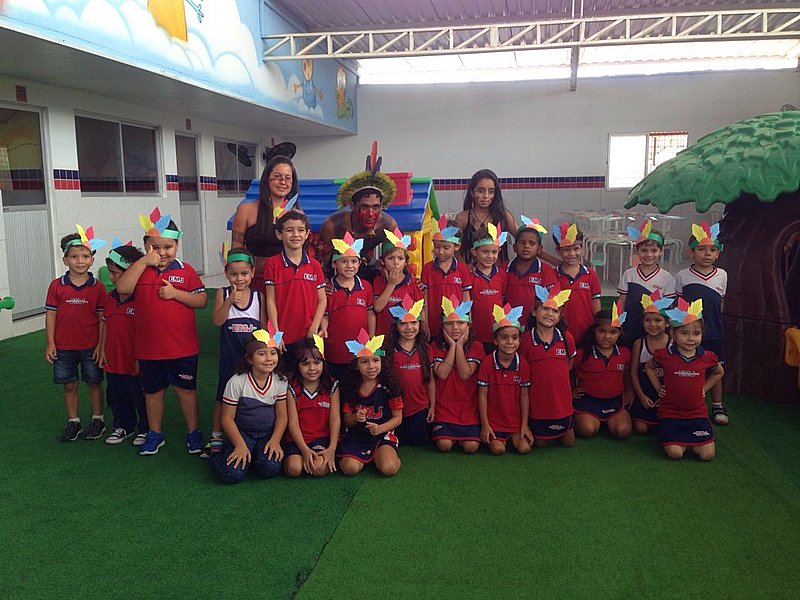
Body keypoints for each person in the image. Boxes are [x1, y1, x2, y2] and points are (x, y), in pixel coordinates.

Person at [115, 208, 207, 456]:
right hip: (149, 349)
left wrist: (176, 294)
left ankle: (193, 433)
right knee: (153, 393)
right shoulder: (139, 270)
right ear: (146, 246)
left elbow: (201, 301)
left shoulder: (186, 270)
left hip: (183, 348)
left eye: (168, 247)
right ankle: (155, 433)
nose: (162, 252)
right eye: (155, 247)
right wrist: (143, 261)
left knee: (186, 391)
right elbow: (122, 288)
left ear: (177, 245)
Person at [45, 226, 107, 442]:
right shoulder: (56, 286)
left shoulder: (98, 287)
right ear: (65, 260)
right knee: (69, 384)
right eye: (74, 257)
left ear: (92, 259)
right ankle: (74, 422)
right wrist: (50, 343)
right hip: (63, 347)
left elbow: (103, 319)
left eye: (85, 256)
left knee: (94, 383)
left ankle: (98, 419)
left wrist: (101, 345)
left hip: (91, 346)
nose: (80, 261)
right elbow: (50, 316)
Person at [646, 299, 724, 461]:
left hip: (697, 413)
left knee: (707, 455)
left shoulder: (707, 357)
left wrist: (704, 388)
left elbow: (718, 372)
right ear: (672, 334)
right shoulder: (664, 355)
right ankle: (674, 438)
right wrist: (658, 387)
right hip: (671, 413)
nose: (691, 338)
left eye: (696, 334)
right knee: (675, 453)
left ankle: (690, 440)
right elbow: (649, 367)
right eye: (684, 333)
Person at [203, 246, 262, 458]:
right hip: (230, 359)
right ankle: (217, 436)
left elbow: (264, 331)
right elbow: (217, 321)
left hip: (252, 361)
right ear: (226, 274)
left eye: (244, 273)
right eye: (234, 274)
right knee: (223, 396)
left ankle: (249, 433)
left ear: (252, 272)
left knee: (251, 396)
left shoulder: (258, 297)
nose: (239, 278)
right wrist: (229, 302)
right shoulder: (223, 293)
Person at [211, 328, 288, 483]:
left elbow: (282, 415)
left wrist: (275, 440)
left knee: (271, 468)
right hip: (242, 434)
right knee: (232, 475)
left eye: (273, 353)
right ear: (250, 359)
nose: (269, 358)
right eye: (262, 354)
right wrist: (239, 445)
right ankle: (216, 454)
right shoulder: (237, 381)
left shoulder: (280, 381)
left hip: (266, 435)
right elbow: (227, 419)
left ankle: (252, 457)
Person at [318, 142, 399, 281]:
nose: (371, 213)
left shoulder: (388, 226)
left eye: (376, 207)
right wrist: (324, 284)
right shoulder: (334, 226)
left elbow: (397, 258)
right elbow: (321, 262)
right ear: (352, 205)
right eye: (364, 207)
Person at [676, 221, 729, 426]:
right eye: (701, 249)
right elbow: (679, 305)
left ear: (718, 253)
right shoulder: (682, 276)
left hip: (714, 331)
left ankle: (717, 405)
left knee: (716, 367)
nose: (707, 254)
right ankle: (685, 402)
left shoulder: (722, 275)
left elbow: (720, 303)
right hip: (688, 333)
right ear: (691, 252)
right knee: (686, 366)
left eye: (712, 250)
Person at [99, 240, 148, 445]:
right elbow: (105, 323)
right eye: (109, 272)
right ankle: (123, 426)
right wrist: (102, 349)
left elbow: (146, 331)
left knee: (139, 395)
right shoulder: (110, 297)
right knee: (116, 395)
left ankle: (145, 428)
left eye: (115, 273)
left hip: (133, 361)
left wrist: (141, 357)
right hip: (113, 359)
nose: (111, 277)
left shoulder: (142, 298)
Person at [337, 329, 403, 477]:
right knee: (350, 469)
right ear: (356, 365)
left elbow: (398, 418)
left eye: (375, 360)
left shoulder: (390, 386)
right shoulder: (351, 387)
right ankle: (358, 457)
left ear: (382, 361)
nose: (371, 366)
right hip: (357, 435)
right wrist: (355, 417)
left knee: (389, 468)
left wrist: (380, 428)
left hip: (382, 435)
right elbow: (347, 421)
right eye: (364, 362)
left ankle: (382, 456)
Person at [231, 155, 300, 291]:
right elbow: (236, 249)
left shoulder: (297, 214)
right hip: (255, 280)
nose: (283, 182)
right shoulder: (246, 210)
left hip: (286, 281)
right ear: (266, 179)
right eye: (277, 176)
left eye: (288, 178)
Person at [520, 285, 576, 448]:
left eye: (555, 311)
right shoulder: (526, 340)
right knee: (540, 444)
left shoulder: (567, 338)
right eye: (545, 309)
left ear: (560, 316)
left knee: (569, 443)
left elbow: (569, 365)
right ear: (534, 311)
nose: (550, 314)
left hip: (561, 404)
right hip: (538, 404)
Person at [264, 210, 326, 351]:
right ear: (279, 234)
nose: (296, 234)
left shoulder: (315, 265)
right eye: (289, 230)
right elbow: (270, 300)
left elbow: (322, 300)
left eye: (301, 230)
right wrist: (276, 332)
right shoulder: (272, 264)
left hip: (309, 334)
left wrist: (314, 327)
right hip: (283, 336)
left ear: (307, 234)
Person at [429, 296, 484, 453]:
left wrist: (459, 346)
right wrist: (452, 347)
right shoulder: (435, 346)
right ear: (442, 326)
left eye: (460, 323)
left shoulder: (477, 347)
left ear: (468, 325)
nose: (455, 328)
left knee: (471, 447)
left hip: (468, 408)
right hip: (445, 408)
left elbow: (465, 374)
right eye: (449, 324)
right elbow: (441, 374)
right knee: (444, 445)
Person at [477, 304, 533, 455]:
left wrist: (524, 424)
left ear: (520, 340)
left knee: (524, 448)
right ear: (495, 340)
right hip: (494, 421)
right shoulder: (487, 363)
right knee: (498, 449)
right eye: (504, 337)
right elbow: (482, 395)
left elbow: (524, 395)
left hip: (515, 421)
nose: (510, 342)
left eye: (515, 338)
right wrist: (485, 425)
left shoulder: (524, 364)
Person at [320, 232, 376, 382]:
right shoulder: (328, 290)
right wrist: (323, 329)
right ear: (334, 264)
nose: (349, 266)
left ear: (359, 263)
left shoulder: (366, 287)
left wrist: (371, 338)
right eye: (344, 261)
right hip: (335, 352)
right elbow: (325, 315)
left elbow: (370, 314)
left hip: (360, 351)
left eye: (354, 261)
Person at [572, 306, 633, 440]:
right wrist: (571, 391)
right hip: (588, 400)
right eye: (602, 331)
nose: (607, 336)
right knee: (587, 430)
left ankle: (610, 421)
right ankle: (589, 419)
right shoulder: (583, 353)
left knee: (623, 431)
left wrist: (629, 391)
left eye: (613, 332)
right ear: (594, 331)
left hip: (614, 401)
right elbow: (566, 370)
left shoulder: (625, 353)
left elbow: (627, 373)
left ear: (620, 332)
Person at [284, 336, 340, 477]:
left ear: (323, 363)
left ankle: (315, 459)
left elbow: (335, 419)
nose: (312, 368)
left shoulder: (332, 386)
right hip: (298, 440)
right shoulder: (292, 388)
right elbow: (293, 423)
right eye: (305, 364)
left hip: (321, 439)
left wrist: (332, 448)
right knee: (293, 469)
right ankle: (301, 458)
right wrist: (304, 449)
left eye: (316, 362)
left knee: (318, 468)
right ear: (297, 365)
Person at [384, 294, 435, 446]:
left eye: (413, 322)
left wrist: (432, 406)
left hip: (420, 407)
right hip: (396, 409)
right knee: (400, 441)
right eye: (403, 324)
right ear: (396, 326)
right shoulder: (389, 350)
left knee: (419, 442)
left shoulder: (426, 349)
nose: (409, 328)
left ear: (420, 324)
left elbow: (431, 381)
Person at [618, 218, 677, 342]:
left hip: (654, 330)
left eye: (654, 251)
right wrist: (618, 321)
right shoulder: (629, 274)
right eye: (644, 250)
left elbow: (670, 306)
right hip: (630, 326)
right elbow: (622, 301)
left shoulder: (667, 278)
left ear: (661, 252)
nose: (649, 255)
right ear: (637, 251)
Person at [421, 216, 472, 340]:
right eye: (437, 247)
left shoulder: (462, 268)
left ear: (456, 246)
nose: (441, 252)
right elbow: (425, 299)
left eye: (446, 248)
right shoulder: (427, 268)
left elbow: (466, 300)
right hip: (434, 325)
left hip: (456, 326)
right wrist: (425, 323)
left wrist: (468, 324)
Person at [629, 291, 672, 434]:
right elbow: (633, 372)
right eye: (648, 320)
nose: (652, 324)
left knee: (666, 427)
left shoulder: (674, 344)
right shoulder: (639, 344)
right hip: (645, 395)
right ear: (642, 322)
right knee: (640, 429)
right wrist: (641, 396)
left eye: (658, 320)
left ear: (667, 323)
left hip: (667, 396)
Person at [454, 169, 517, 264]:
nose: (486, 196)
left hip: (499, 271)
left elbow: (523, 237)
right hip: (471, 272)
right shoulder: (462, 218)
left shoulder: (504, 216)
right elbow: (455, 250)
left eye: (491, 191)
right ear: (472, 192)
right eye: (480, 191)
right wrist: (465, 268)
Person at [505, 216, 559, 326]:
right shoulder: (503, 270)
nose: (526, 246)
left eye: (532, 243)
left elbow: (555, 302)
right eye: (522, 242)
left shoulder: (546, 271)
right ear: (515, 247)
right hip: (508, 328)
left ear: (539, 249)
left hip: (536, 328)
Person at [552, 222, 602, 343]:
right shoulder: (552, 276)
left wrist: (598, 327)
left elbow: (596, 303)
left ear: (582, 248)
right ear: (558, 251)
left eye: (576, 248)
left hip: (587, 334)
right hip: (561, 334)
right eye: (566, 249)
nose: (572, 254)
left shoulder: (590, 274)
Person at [372, 227, 424, 338]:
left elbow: (421, 309)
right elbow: (377, 307)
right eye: (391, 258)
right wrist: (391, 284)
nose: (396, 263)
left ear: (406, 262)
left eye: (400, 258)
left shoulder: (413, 283)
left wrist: (424, 328)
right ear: (382, 261)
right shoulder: (378, 281)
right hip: (384, 337)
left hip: (406, 337)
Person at [469, 224, 508, 354]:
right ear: (474, 251)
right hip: (475, 335)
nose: (490, 256)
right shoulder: (469, 275)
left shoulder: (502, 275)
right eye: (485, 252)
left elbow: (504, 300)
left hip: (497, 334)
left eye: (494, 252)